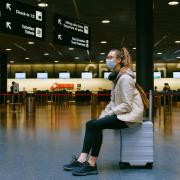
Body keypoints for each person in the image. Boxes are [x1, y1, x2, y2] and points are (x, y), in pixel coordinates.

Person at [63, 47, 144, 176]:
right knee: (91, 123)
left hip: (130, 116)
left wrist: (108, 115)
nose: (108, 60)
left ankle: (91, 164)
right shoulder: (116, 78)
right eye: (107, 57)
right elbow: (113, 102)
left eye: (111, 57)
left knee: (96, 125)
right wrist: (103, 114)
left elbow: (127, 105)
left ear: (118, 60)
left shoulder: (125, 79)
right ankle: (82, 159)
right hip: (122, 113)